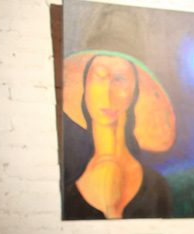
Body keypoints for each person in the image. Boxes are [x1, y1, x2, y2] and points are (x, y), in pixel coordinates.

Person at [62, 51, 175, 219]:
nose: (108, 91)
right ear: (85, 88)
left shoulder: (156, 186)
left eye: (120, 79)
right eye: (99, 76)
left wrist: (113, 210)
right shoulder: (68, 187)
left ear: (134, 93)